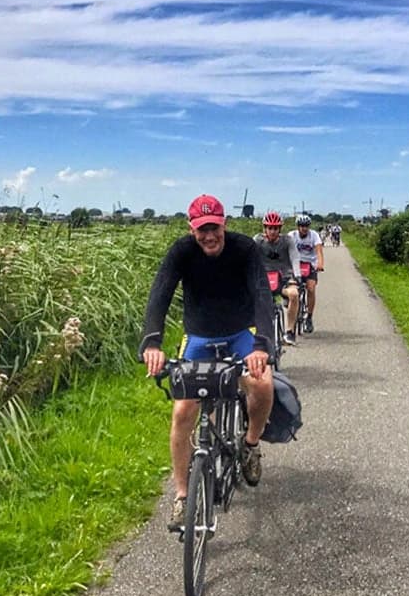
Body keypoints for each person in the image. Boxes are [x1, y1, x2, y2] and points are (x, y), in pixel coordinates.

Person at [139, 194, 275, 532]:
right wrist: (152, 342)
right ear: (192, 228)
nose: (209, 236)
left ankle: (251, 444)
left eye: (214, 227)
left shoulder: (244, 249)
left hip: (240, 333)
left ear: (224, 223)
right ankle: (183, 495)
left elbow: (261, 294)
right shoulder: (182, 251)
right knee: (183, 411)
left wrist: (261, 346)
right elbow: (160, 293)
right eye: (201, 230)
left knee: (262, 383)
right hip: (198, 337)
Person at [253, 211, 303, 345]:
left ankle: (289, 332)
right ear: (265, 228)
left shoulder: (287, 241)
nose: (272, 231)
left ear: (280, 229)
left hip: (284, 278)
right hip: (264, 280)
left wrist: (297, 275)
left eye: (275, 228)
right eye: (270, 228)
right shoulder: (258, 240)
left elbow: (295, 257)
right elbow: (249, 257)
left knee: (294, 294)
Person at [287, 214, 324, 333]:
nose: (304, 228)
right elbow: (285, 249)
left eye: (306, 226)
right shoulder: (291, 236)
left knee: (311, 288)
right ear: (298, 226)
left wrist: (320, 263)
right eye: (302, 226)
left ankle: (309, 317)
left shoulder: (314, 236)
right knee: (291, 287)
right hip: (296, 264)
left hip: (310, 264)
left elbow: (319, 251)